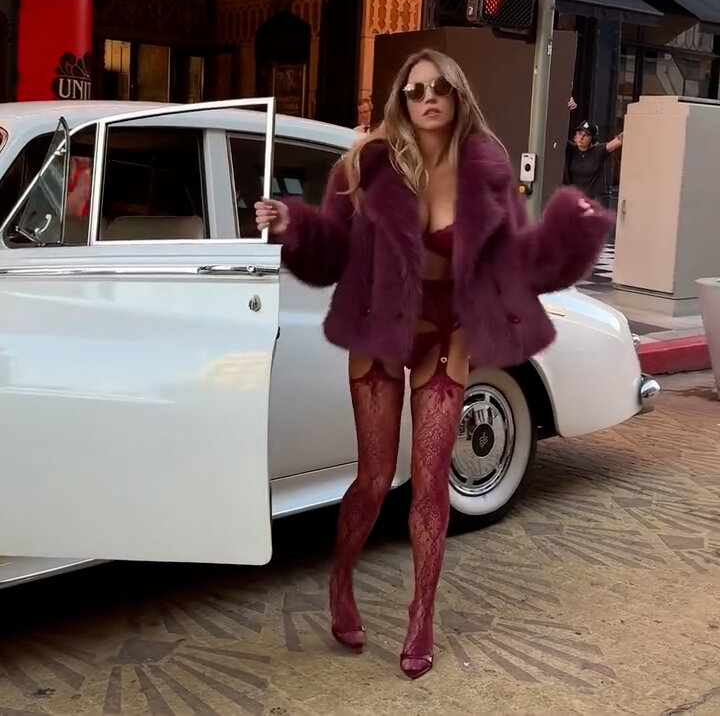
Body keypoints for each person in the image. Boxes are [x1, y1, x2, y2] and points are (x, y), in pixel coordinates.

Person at [255, 50, 612, 680]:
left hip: (445, 338)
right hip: (378, 333)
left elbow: (513, 258)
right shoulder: (364, 164)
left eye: (439, 87)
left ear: (457, 94)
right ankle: (341, 582)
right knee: (374, 479)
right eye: (415, 89)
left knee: (430, 483)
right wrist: (294, 226)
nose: (427, 98)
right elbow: (333, 251)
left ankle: (421, 614)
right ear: (401, 97)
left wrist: (568, 234)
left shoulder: (486, 169)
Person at [563, 116, 624, 202]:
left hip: (590, 200)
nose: (581, 137)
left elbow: (618, 140)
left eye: (586, 135)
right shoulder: (570, 148)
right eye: (580, 133)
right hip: (570, 198)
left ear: (592, 139)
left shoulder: (598, 151)